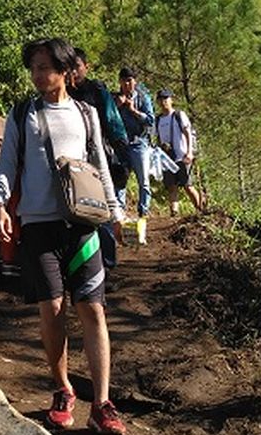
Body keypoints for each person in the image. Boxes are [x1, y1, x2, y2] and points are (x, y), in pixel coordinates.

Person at [0, 38, 128, 435]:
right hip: (37, 223)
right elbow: (7, 162)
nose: (37, 75)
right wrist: (0, 205)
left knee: (92, 309)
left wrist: (116, 214)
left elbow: (100, 164)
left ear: (65, 71)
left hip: (83, 224)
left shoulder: (86, 114)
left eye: (44, 67)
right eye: (33, 67)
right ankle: (63, 389)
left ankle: (102, 403)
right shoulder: (22, 114)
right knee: (52, 307)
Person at [69, 48, 131, 275]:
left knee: (100, 210)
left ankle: (107, 265)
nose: (73, 71)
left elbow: (113, 122)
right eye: (69, 67)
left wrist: (123, 153)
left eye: (77, 66)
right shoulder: (61, 92)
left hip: (97, 158)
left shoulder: (96, 90)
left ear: (87, 66)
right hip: (71, 162)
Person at [115, 67, 155, 232]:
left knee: (143, 180)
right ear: (119, 82)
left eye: (130, 80)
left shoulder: (143, 98)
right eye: (124, 80)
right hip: (121, 144)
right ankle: (120, 212)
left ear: (135, 81)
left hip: (140, 143)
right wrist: (116, 107)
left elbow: (150, 120)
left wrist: (133, 110)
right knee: (120, 179)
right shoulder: (115, 98)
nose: (127, 84)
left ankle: (143, 211)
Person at [154, 89, 205, 215]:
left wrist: (189, 153)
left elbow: (188, 133)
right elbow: (157, 138)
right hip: (167, 159)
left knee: (188, 186)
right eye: (160, 99)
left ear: (171, 100)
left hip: (182, 156)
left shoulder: (178, 115)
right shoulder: (158, 120)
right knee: (172, 187)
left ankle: (200, 210)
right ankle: (174, 213)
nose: (163, 102)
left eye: (166, 99)